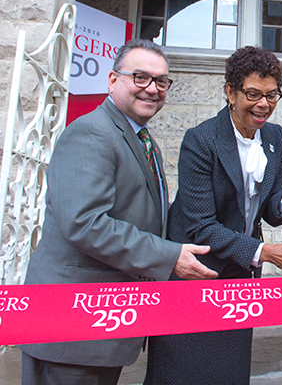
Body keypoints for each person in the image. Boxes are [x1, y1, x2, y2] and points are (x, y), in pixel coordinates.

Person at [18, 39, 217, 385]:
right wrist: (169, 256)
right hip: (71, 327)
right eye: (140, 77)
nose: (152, 89)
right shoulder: (90, 132)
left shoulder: (143, 140)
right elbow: (85, 223)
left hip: (104, 323)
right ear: (112, 81)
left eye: (161, 81)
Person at [144, 46, 282, 385]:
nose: (263, 105)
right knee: (182, 373)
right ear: (230, 92)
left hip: (239, 277)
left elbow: (268, 212)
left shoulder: (274, 137)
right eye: (253, 94)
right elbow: (200, 226)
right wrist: (265, 253)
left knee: (229, 372)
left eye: (271, 95)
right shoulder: (200, 141)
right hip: (194, 274)